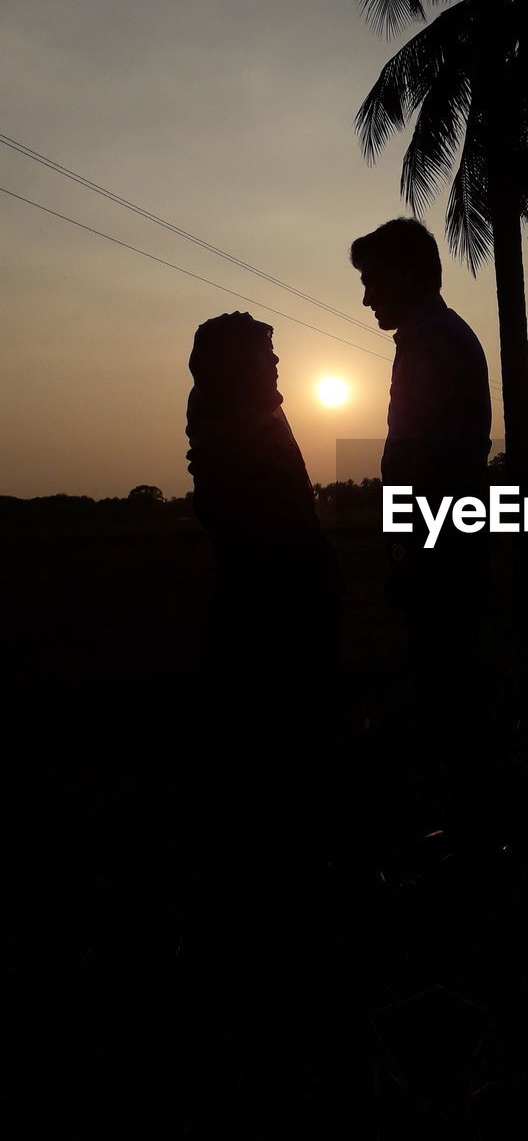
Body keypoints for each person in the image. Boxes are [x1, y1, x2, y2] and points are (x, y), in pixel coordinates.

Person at [185, 311, 342, 956]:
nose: (276, 366)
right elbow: (267, 524)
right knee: (275, 758)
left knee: (276, 759)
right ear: (235, 364)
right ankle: (278, 905)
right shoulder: (236, 426)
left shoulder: (245, 417)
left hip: (274, 610)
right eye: (264, 355)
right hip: (269, 617)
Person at [350, 217, 495, 870]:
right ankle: (473, 832)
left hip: (443, 548)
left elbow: (424, 461)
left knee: (451, 691)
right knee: (450, 690)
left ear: (405, 274)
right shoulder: (433, 337)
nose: (366, 297)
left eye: (371, 280)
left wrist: (408, 550)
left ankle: (475, 844)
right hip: (449, 542)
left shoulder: (432, 342)